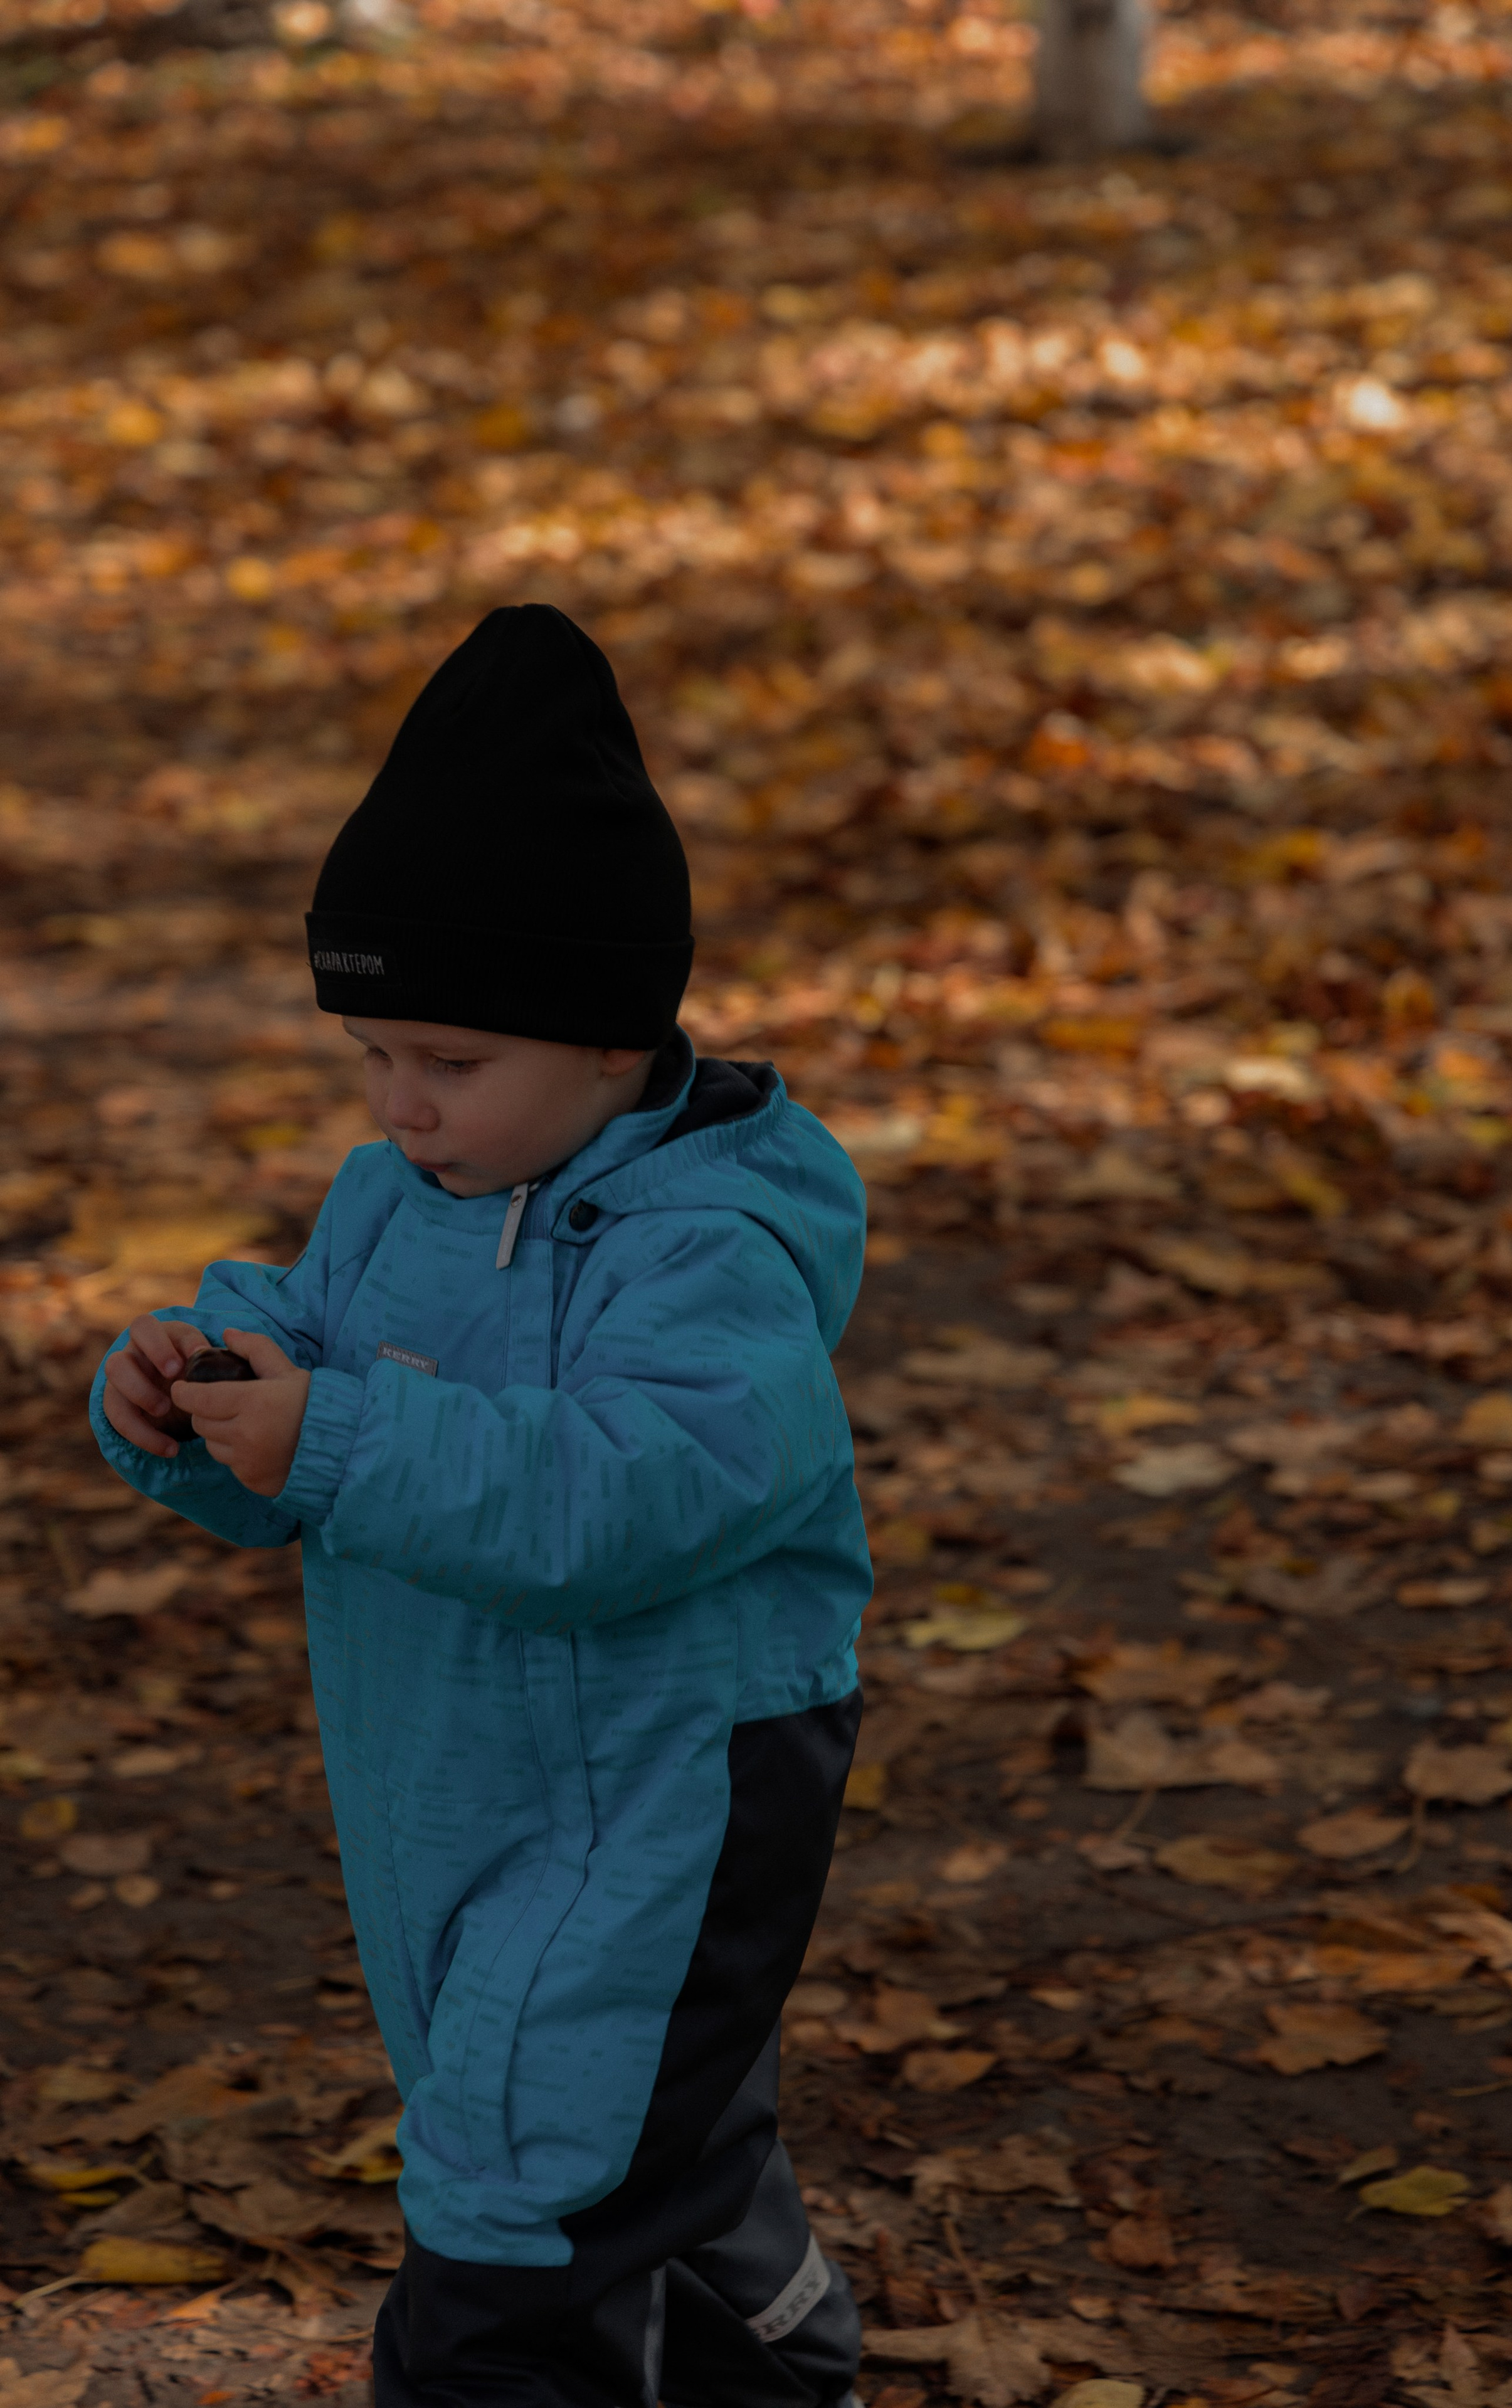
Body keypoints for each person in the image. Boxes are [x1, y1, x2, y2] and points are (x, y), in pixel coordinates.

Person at [90, 605, 872, 2408]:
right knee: (613, 2126)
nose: (400, 1107)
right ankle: (774, 2348)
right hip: (452, 1769)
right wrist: (195, 1395)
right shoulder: (398, 1196)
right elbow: (319, 1383)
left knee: (523, 2194)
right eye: (372, 1057)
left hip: (667, 1777)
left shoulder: (709, 1251)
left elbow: (640, 1494)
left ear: (607, 1041)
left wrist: (341, 1441)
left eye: (448, 1065)